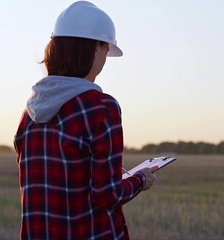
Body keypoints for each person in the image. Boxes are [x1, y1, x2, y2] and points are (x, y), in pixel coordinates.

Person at [13, 1, 157, 239]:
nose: (105, 58)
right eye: (105, 48)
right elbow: (106, 195)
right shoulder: (101, 107)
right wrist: (140, 180)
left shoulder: (28, 115)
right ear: (95, 48)